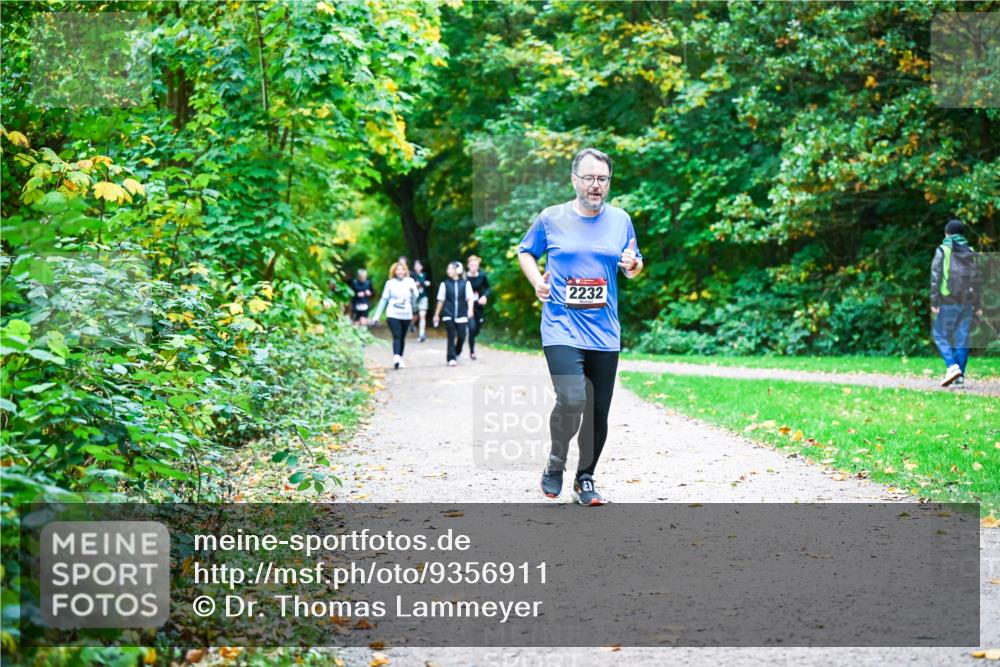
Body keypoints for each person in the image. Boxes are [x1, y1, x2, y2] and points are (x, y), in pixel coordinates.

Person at [517, 148, 642, 506]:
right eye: (589, 178)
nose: (596, 185)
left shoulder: (621, 220)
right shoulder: (551, 218)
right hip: (561, 326)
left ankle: (585, 478)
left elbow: (633, 266)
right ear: (574, 180)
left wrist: (633, 265)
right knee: (572, 398)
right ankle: (556, 460)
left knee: (598, 411)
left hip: (605, 331)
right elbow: (525, 251)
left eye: (602, 179)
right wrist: (537, 282)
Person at [930, 219, 983, 387]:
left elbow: (936, 277)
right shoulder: (971, 251)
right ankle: (959, 377)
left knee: (939, 334)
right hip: (968, 302)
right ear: (962, 235)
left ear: (947, 233)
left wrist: (934, 301)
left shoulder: (943, 249)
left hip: (949, 299)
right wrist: (978, 304)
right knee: (962, 338)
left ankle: (952, 367)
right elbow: (977, 280)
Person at [371, 262, 419, 370]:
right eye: (398, 270)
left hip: (406, 314)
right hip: (393, 314)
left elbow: (416, 297)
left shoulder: (410, 281)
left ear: (405, 271)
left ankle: (400, 357)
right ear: (394, 272)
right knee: (397, 335)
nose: (400, 272)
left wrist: (413, 290)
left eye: (402, 269)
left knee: (402, 337)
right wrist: (376, 316)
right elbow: (384, 300)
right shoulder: (390, 283)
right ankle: (396, 358)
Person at [433, 261, 475, 367]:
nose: (448, 271)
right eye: (448, 268)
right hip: (448, 313)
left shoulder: (465, 284)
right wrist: (436, 314)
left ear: (457, 270)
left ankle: (457, 351)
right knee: (451, 336)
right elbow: (441, 300)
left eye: (451, 268)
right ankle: (451, 358)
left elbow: (470, 298)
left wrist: (470, 309)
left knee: (462, 335)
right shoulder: (444, 284)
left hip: (462, 313)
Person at [465, 255, 491, 360]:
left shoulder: (482, 275)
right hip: (467, 306)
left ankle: (472, 335)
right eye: (471, 265)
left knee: (477, 330)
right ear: (468, 265)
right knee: (471, 329)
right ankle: (472, 352)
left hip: (479, 306)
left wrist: (484, 296)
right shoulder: (464, 277)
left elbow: (488, 288)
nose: (474, 267)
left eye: (476, 265)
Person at [411, 259, 432, 342]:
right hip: (414, 298)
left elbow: (428, 283)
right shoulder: (412, 275)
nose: (417, 267)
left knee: (422, 315)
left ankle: (421, 334)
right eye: (416, 266)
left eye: (419, 265)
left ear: (422, 267)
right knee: (415, 315)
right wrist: (423, 283)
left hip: (423, 297)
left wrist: (421, 283)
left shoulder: (425, 275)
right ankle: (412, 324)